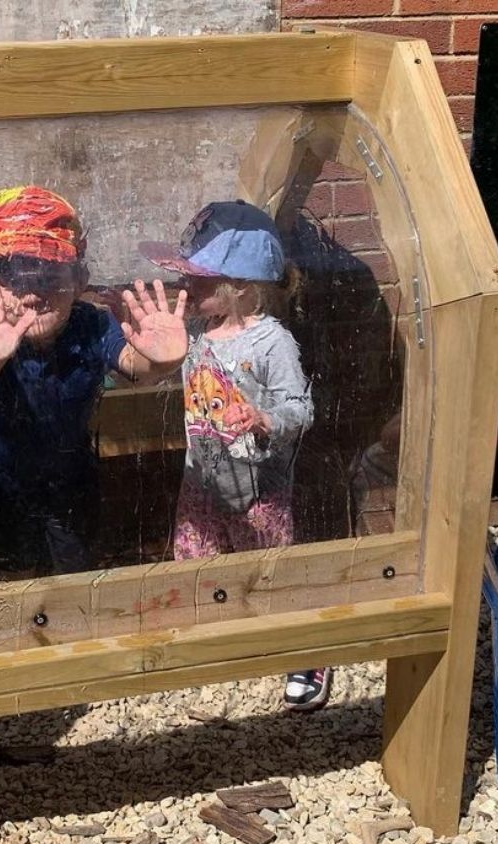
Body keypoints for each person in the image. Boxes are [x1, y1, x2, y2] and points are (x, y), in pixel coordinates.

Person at [138, 200, 322, 710]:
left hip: (259, 489)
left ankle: (302, 655)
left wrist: (265, 420)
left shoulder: (271, 342)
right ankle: (213, 655)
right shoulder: (193, 335)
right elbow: (156, 371)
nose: (186, 289)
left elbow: (299, 408)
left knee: (269, 573)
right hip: (201, 482)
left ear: (240, 287)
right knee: (195, 567)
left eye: (199, 280)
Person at [0, 184, 186, 579]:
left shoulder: (90, 325)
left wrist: (159, 362)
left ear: (80, 280)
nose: (32, 293)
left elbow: (131, 363)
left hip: (69, 491)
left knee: (72, 582)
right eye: (13, 275)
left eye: (49, 275)